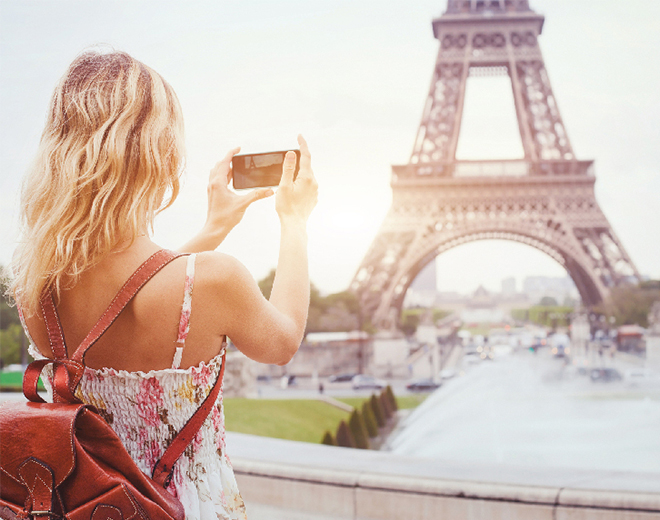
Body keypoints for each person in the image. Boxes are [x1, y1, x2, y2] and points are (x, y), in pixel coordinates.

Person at [8, 49, 317, 519]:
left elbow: (133, 290)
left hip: (80, 505)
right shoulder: (215, 279)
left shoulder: (36, 281)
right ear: (158, 152)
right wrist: (294, 220)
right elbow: (283, 339)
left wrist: (214, 227)